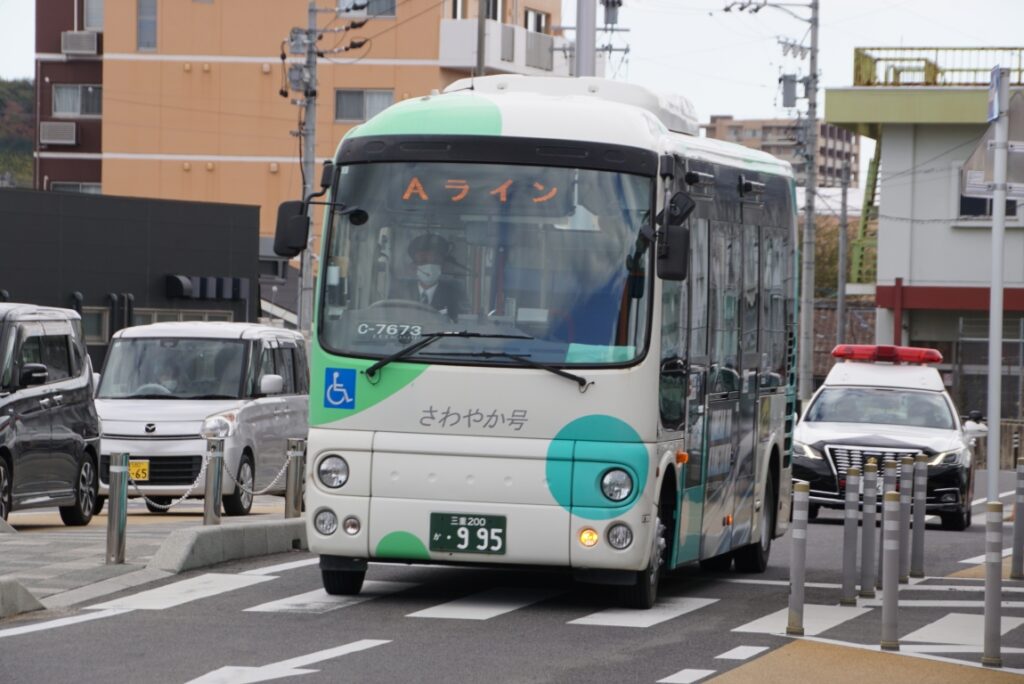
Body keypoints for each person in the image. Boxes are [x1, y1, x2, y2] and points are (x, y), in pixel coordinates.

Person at [395, 232, 465, 320]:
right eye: (423, 261)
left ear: (442, 265)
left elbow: (462, 321)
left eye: (435, 261)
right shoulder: (400, 292)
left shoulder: (455, 293)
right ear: (414, 266)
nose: (430, 266)